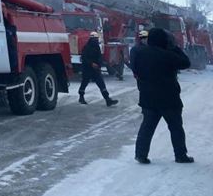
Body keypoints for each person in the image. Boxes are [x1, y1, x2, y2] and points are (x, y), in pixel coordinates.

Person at [132, 28, 193, 164]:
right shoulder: (167, 55)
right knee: (176, 127)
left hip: (148, 97)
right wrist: (175, 48)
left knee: (147, 128)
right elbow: (185, 63)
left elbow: (135, 70)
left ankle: (140, 154)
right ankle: (180, 155)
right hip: (169, 98)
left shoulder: (140, 53)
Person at [78, 32, 119, 107]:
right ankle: (81, 97)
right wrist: (91, 64)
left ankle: (107, 100)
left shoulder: (97, 47)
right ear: (92, 39)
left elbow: (99, 57)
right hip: (87, 69)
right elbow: (84, 58)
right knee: (84, 83)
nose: (96, 40)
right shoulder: (86, 47)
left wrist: (99, 65)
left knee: (101, 84)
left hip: (96, 70)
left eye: (97, 39)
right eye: (95, 39)